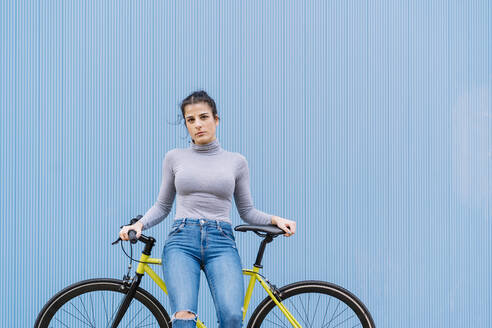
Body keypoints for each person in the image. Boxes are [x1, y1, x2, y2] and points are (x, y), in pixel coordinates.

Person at [119, 90, 296, 328]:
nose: (198, 124)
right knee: (183, 319)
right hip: (182, 241)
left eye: (204, 117)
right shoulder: (174, 158)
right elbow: (162, 206)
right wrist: (139, 224)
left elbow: (247, 211)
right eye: (191, 120)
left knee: (232, 317)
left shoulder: (236, 162)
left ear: (216, 120)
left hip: (221, 242)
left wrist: (275, 219)